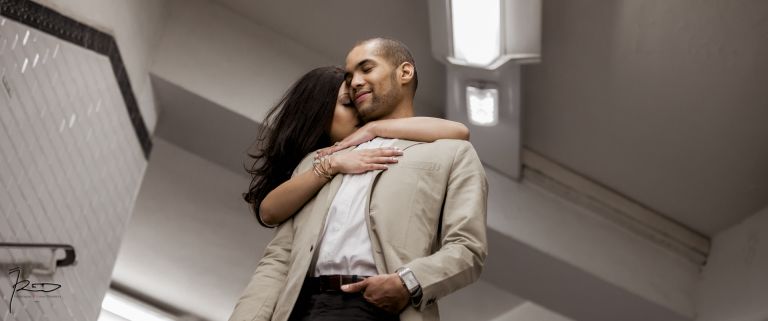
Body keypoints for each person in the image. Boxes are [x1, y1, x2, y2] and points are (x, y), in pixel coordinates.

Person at [230, 38, 488, 321]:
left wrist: (407, 282)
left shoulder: (452, 153)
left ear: (405, 72)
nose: (355, 82)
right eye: (350, 76)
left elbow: (467, 249)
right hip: (300, 308)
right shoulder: (323, 161)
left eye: (366, 69)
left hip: (385, 309)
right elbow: (279, 258)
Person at [243, 66, 470, 227]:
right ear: (316, 114)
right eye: (347, 103)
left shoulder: (378, 140)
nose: (360, 112)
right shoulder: (311, 164)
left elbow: (458, 131)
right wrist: (333, 165)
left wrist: (375, 127)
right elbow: (269, 213)